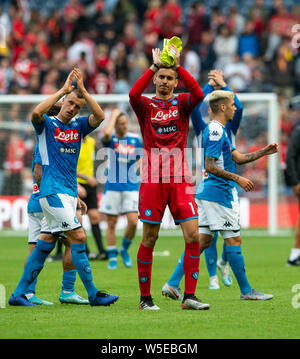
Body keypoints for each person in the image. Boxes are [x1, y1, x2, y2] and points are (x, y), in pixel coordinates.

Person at [9, 68, 118, 307]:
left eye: (77, 107)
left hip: (68, 193)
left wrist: (84, 93)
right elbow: (36, 112)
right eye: (70, 104)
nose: (73, 109)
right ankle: (92, 294)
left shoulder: (78, 127)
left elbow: (99, 117)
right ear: (62, 103)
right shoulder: (47, 125)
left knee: (45, 243)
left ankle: (19, 293)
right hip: (51, 192)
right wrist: (64, 90)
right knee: (78, 235)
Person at [129, 46, 208, 310]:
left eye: (169, 78)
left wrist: (177, 66)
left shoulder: (183, 102)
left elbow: (198, 93)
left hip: (181, 178)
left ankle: (189, 296)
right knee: (150, 238)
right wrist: (154, 65)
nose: (164, 81)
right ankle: (145, 299)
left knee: (193, 235)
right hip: (153, 177)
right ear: (154, 79)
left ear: (175, 81)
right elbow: (132, 94)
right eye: (160, 77)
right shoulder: (145, 105)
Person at [162, 69, 242, 297]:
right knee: (214, 235)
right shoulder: (204, 129)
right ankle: (216, 278)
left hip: (230, 184)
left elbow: (239, 107)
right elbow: (196, 105)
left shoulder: (230, 127)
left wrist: (224, 85)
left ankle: (223, 263)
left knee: (225, 233)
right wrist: (210, 87)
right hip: (210, 181)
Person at [195, 90, 278, 301]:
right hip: (219, 193)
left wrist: (263, 151)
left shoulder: (218, 130)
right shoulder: (215, 130)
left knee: (202, 242)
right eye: (232, 104)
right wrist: (237, 179)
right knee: (233, 240)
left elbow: (239, 158)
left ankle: (173, 283)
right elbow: (210, 165)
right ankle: (246, 291)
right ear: (222, 107)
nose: (235, 107)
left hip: (209, 192)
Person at [26, 143, 89, 305]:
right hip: (50, 201)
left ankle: (26, 292)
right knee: (74, 241)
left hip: (35, 202)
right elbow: (50, 175)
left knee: (34, 249)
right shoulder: (50, 144)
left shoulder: (40, 144)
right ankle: (68, 291)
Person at [99, 108, 142, 269]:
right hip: (112, 187)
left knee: (133, 221)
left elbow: (140, 159)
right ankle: (112, 257)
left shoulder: (135, 139)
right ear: (115, 125)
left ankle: (123, 249)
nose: (123, 126)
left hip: (131, 186)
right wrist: (114, 115)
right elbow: (106, 134)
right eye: (120, 124)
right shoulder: (111, 139)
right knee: (111, 223)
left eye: (125, 123)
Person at [76, 134, 107, 260]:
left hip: (90, 185)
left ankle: (102, 251)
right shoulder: (73, 142)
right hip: (77, 184)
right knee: (79, 220)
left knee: (95, 217)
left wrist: (95, 177)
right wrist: (80, 182)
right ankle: (86, 252)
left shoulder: (92, 142)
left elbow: (97, 161)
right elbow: (67, 166)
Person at [285, 120, 300, 266]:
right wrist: (295, 182)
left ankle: (295, 255)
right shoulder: (298, 131)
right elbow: (290, 157)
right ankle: (294, 255)